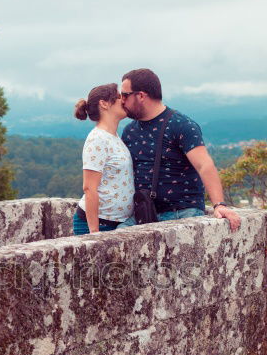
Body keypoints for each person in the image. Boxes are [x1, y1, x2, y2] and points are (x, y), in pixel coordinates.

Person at [120, 68, 241, 232]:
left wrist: (219, 205)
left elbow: (204, 165)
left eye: (125, 95)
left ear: (141, 96)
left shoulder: (181, 125)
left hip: (182, 213)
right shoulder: (129, 131)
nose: (121, 101)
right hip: (145, 213)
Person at [73, 83, 134, 235]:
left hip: (116, 222)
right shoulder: (97, 139)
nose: (124, 100)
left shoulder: (114, 137)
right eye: (119, 97)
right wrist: (94, 232)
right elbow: (89, 188)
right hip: (99, 224)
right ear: (104, 103)